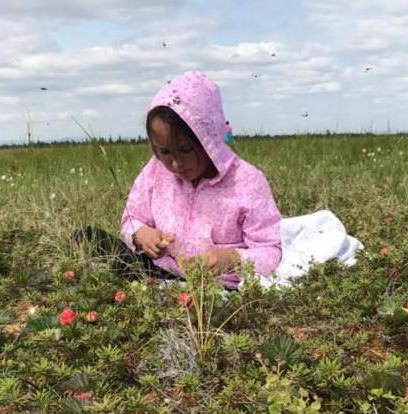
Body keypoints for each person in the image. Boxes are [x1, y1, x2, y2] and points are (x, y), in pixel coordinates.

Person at [76, 71, 281, 289]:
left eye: (184, 150)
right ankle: (154, 288)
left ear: (208, 140)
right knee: (87, 237)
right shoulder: (155, 170)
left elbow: (272, 251)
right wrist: (141, 235)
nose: (175, 164)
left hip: (216, 287)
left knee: (212, 299)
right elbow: (132, 217)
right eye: (164, 151)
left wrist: (230, 259)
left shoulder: (247, 182)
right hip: (159, 270)